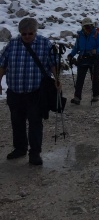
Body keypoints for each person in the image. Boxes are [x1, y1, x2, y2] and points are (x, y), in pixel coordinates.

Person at [0, 16, 57, 166]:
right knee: (17, 122)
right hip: (15, 92)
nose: (27, 36)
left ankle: (35, 153)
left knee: (35, 122)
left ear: (35, 32)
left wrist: (57, 79)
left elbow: (53, 64)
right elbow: (2, 64)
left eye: (30, 33)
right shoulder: (12, 45)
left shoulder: (44, 44)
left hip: (36, 92)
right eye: (24, 34)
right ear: (20, 33)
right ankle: (20, 148)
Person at [68, 17, 99, 105]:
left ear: (91, 26)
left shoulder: (96, 34)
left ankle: (95, 95)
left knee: (94, 77)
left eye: (89, 26)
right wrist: (71, 54)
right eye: (85, 26)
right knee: (80, 78)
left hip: (94, 58)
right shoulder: (80, 35)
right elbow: (76, 47)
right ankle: (77, 97)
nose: (87, 28)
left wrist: (96, 51)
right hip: (83, 57)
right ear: (83, 27)